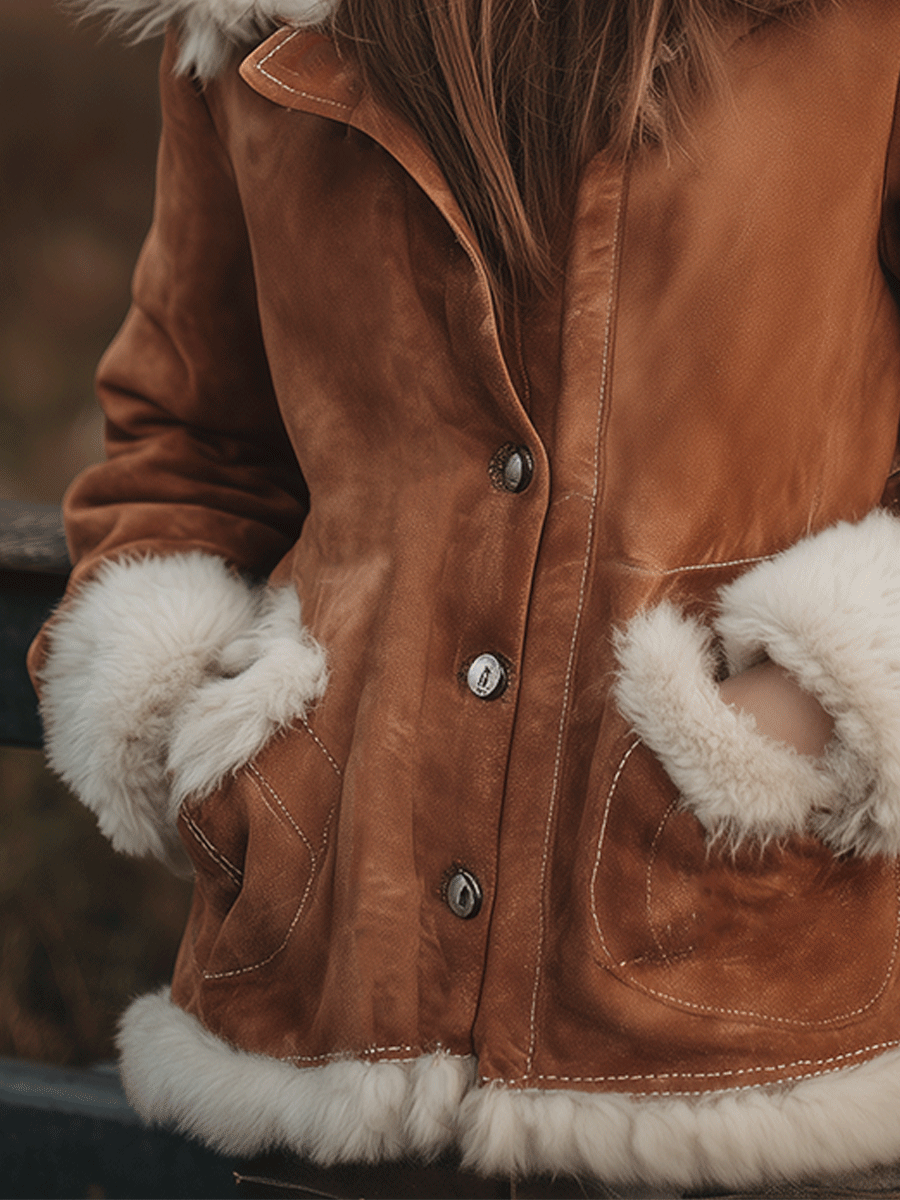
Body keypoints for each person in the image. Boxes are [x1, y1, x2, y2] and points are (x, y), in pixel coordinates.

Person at [28, 0, 900, 1192]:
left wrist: (809, 702)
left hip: (740, 994)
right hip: (331, 1007)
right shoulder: (245, 30)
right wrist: (210, 740)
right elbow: (187, 442)